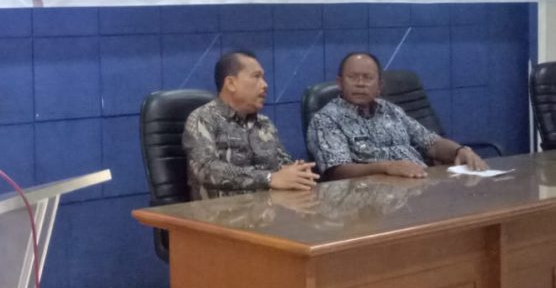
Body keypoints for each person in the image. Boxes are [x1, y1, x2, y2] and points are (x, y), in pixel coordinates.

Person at [307, 51, 488, 179]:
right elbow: (337, 172)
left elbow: (431, 143)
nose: (360, 83)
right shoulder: (326, 119)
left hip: (418, 186)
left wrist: (460, 151)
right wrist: (386, 167)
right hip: (367, 199)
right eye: (353, 77)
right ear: (340, 82)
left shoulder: (391, 110)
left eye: (367, 77)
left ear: (379, 86)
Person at [182, 50, 318, 199]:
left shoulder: (264, 123)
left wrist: (297, 172)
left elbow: (282, 163)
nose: (265, 85)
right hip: (219, 211)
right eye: (256, 77)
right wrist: (268, 179)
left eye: (263, 78)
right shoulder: (204, 118)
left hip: (269, 209)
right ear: (231, 83)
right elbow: (206, 169)